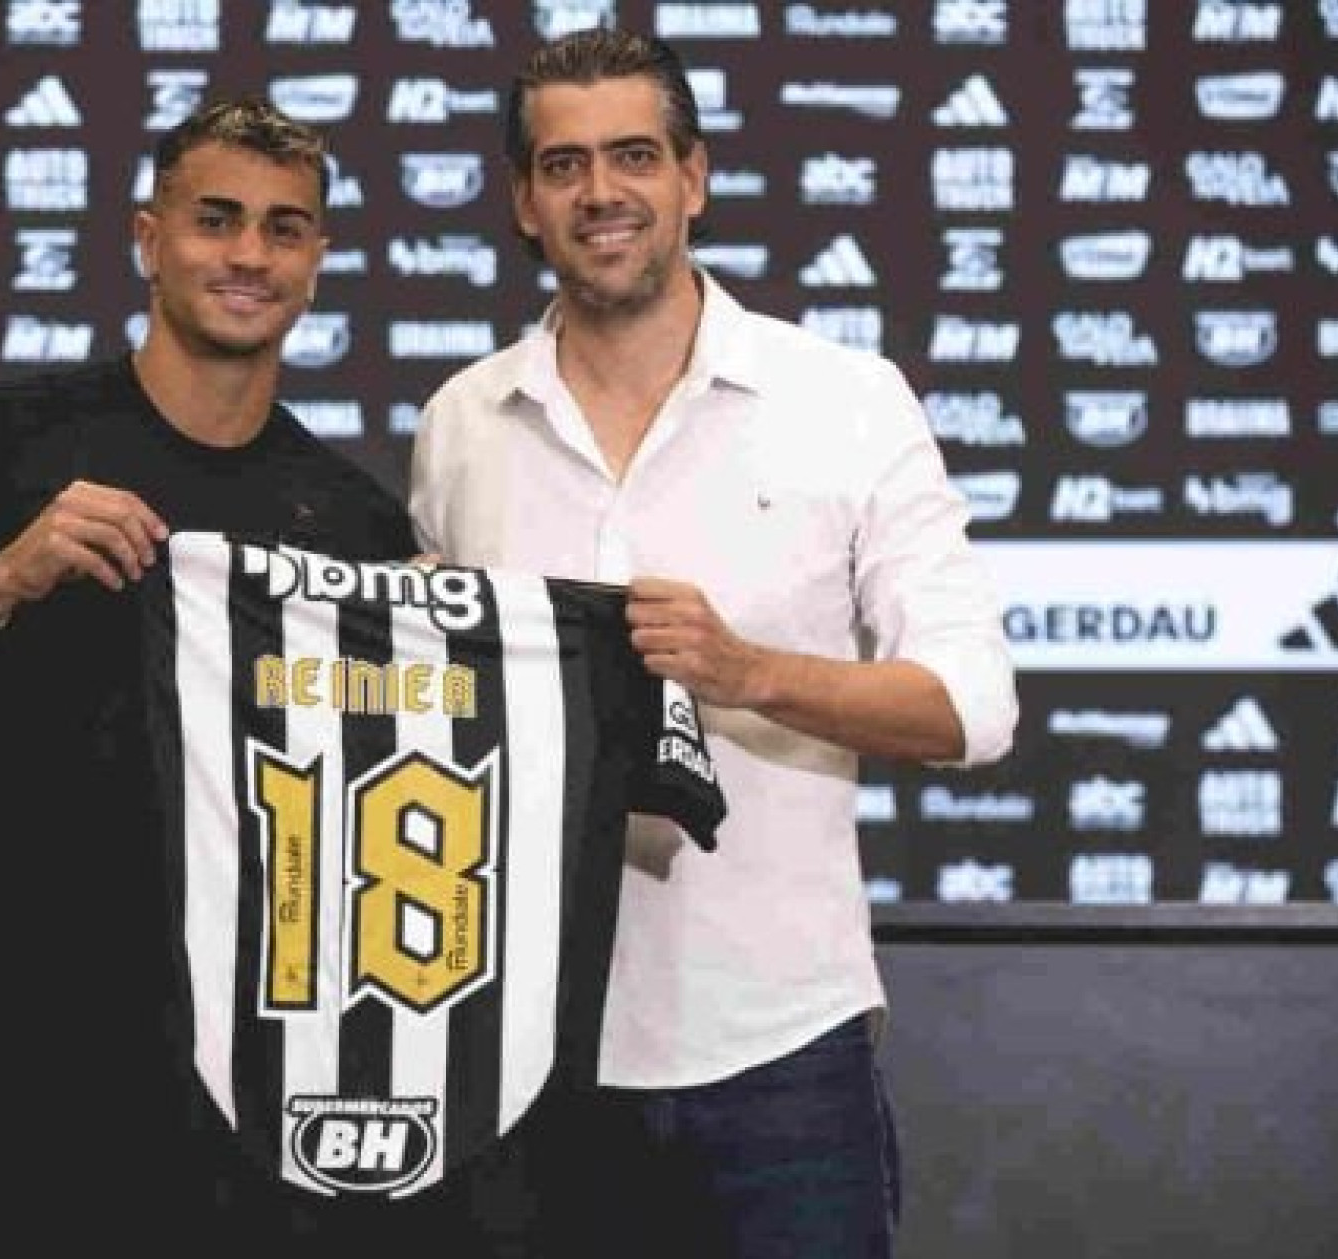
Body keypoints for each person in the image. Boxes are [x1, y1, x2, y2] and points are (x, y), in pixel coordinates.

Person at [407, 27, 1021, 1259]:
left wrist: (749, 672)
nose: (601, 191)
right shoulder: (463, 422)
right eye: (564, 164)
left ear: (695, 176)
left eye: (634, 155)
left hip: (784, 1051)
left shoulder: (845, 399)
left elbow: (973, 708)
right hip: (531, 1056)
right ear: (524, 201)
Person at [0, 97, 416, 1257]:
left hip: (266, 1079)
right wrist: (4, 578)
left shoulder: (357, 520)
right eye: (216, 219)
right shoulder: (6, 439)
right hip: (22, 1050)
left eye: (284, 227)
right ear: (147, 238)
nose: (249, 253)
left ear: (317, 258)